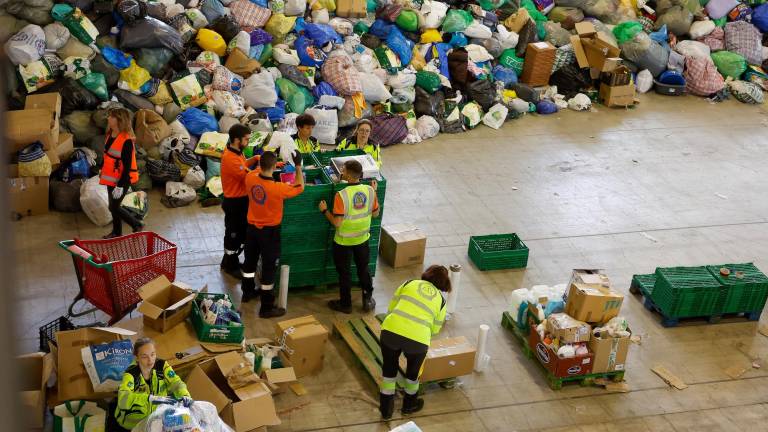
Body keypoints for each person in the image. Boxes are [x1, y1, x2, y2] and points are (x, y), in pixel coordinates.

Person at [378, 266, 450, 419]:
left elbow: (391, 308)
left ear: (427, 274)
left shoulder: (409, 283)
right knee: (412, 376)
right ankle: (408, 407)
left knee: (389, 372)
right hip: (418, 341)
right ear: (444, 283)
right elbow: (435, 329)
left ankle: (386, 410)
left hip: (391, 332)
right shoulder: (442, 301)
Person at [241, 150, 304, 317]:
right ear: (274, 166)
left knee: (249, 262)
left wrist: (273, 161)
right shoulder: (278, 189)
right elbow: (299, 187)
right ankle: (266, 307)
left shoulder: (250, 178)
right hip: (269, 233)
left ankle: (247, 292)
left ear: (261, 164)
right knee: (269, 268)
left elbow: (255, 169)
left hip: (252, 230)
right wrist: (298, 166)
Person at [319, 160, 379, 314]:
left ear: (348, 175)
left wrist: (324, 211)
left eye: (343, 170)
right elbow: (375, 213)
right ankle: (367, 299)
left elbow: (337, 223)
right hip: (362, 239)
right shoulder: (370, 191)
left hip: (343, 241)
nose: (341, 171)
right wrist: (374, 193)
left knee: (345, 273)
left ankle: (346, 304)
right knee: (363, 269)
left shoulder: (342, 195)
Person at [113, 338, 192, 431]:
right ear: (137, 358)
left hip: (156, 418)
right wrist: (149, 398)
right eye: (144, 356)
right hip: (133, 423)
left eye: (152, 354)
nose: (150, 360)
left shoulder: (162, 366)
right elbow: (123, 399)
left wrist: (185, 395)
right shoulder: (131, 374)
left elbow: (176, 383)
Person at [220, 124, 261, 278]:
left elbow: (243, 165)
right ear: (237, 140)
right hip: (235, 204)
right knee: (234, 235)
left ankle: (229, 261)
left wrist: (255, 159)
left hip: (240, 201)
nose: (248, 142)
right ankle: (231, 266)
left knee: (240, 233)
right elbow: (249, 177)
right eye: (246, 139)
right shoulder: (230, 158)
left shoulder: (236, 152)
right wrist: (265, 168)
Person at [99, 107, 142, 239]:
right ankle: (117, 232)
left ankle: (136, 224)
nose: (108, 118)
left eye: (111, 117)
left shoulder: (126, 140)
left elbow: (127, 166)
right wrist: (102, 169)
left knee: (114, 206)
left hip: (122, 179)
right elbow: (107, 156)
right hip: (110, 177)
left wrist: (121, 185)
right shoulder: (109, 135)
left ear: (119, 120)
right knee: (113, 207)